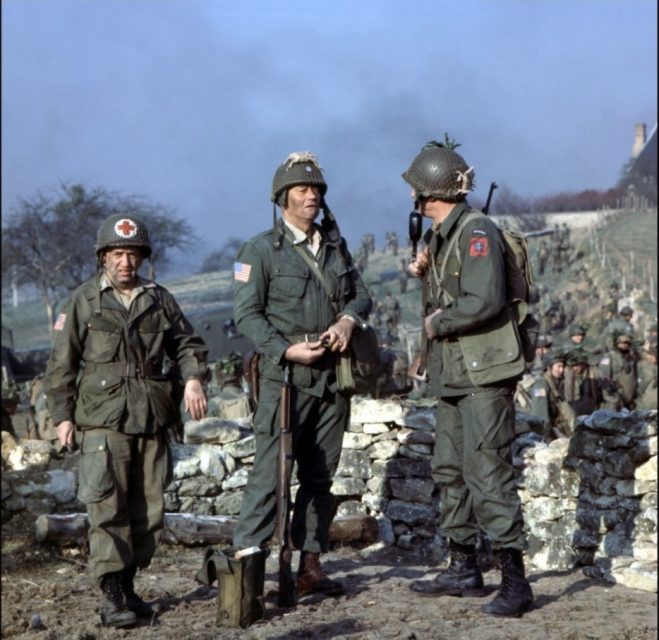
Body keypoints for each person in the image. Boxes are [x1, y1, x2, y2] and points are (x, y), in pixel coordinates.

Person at [44, 213, 209, 629]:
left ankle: (129, 586)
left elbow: (187, 344)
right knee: (107, 507)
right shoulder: (83, 301)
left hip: (151, 417)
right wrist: (63, 417)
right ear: (103, 257)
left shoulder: (158, 298)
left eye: (133, 255)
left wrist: (191, 378)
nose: (125, 263)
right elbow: (61, 365)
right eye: (117, 254)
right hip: (103, 420)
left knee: (148, 510)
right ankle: (112, 594)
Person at [231, 151, 372, 598]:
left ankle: (310, 565)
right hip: (285, 381)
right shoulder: (258, 250)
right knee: (270, 477)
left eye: (317, 190)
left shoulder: (334, 244)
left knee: (319, 477)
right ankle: (248, 576)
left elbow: (361, 294)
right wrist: (285, 349)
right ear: (282, 199)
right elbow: (246, 316)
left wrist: (348, 320)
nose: (312, 196)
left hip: (333, 377)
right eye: (302, 190)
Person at [402, 139, 533, 617]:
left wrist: (438, 323)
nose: (413, 199)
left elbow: (484, 300)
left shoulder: (476, 230)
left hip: (483, 371)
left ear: (426, 193)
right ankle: (462, 567)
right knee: (450, 470)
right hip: (455, 373)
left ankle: (516, 583)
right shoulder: (444, 236)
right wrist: (425, 271)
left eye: (416, 190)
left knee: (486, 471)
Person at [599, 332, 638, 411]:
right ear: (616, 343)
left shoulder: (631, 358)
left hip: (629, 396)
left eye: (627, 343)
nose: (624, 345)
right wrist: (610, 388)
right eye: (622, 343)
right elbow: (604, 375)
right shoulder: (609, 357)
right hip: (615, 395)